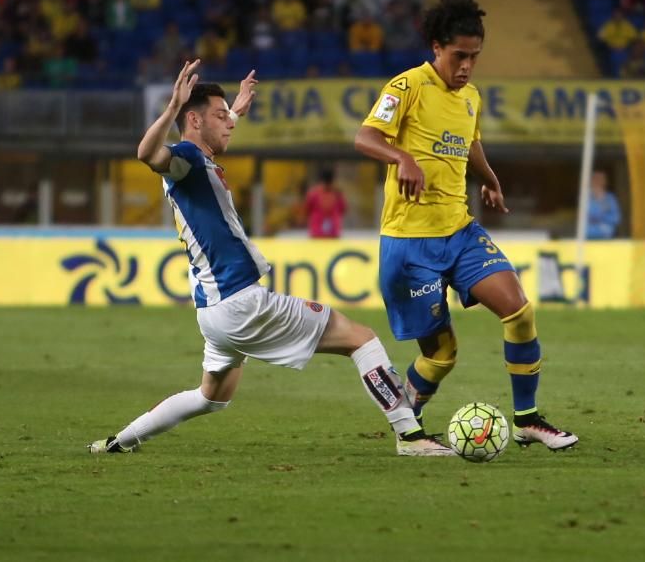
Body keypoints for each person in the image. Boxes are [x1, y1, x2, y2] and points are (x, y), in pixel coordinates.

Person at [90, 62, 449, 456]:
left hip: (214, 313)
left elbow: (205, 134)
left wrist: (234, 110)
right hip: (241, 303)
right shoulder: (186, 157)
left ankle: (119, 442)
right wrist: (173, 103)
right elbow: (146, 153)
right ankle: (410, 436)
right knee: (362, 339)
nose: (229, 123)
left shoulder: (196, 159)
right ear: (192, 120)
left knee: (211, 397)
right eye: (220, 115)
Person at [354, 0, 578, 451]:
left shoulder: (471, 97)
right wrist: (402, 158)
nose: (467, 67)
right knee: (441, 356)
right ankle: (408, 425)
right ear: (437, 47)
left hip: (459, 231)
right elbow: (365, 136)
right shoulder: (407, 86)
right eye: (459, 56)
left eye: (475, 57)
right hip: (410, 243)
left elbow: (470, 143)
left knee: (519, 311)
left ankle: (527, 419)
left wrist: (489, 178)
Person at [304, 168, 347, 238]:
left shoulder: (313, 193)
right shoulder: (338, 194)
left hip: (317, 232)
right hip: (333, 232)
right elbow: (343, 209)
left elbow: (307, 209)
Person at [586, 170, 621, 239]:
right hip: (588, 236)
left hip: (605, 235)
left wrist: (601, 201)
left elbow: (616, 218)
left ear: (605, 182)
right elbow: (584, 216)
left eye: (600, 179)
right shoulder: (585, 198)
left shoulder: (610, 198)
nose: (597, 182)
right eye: (595, 179)